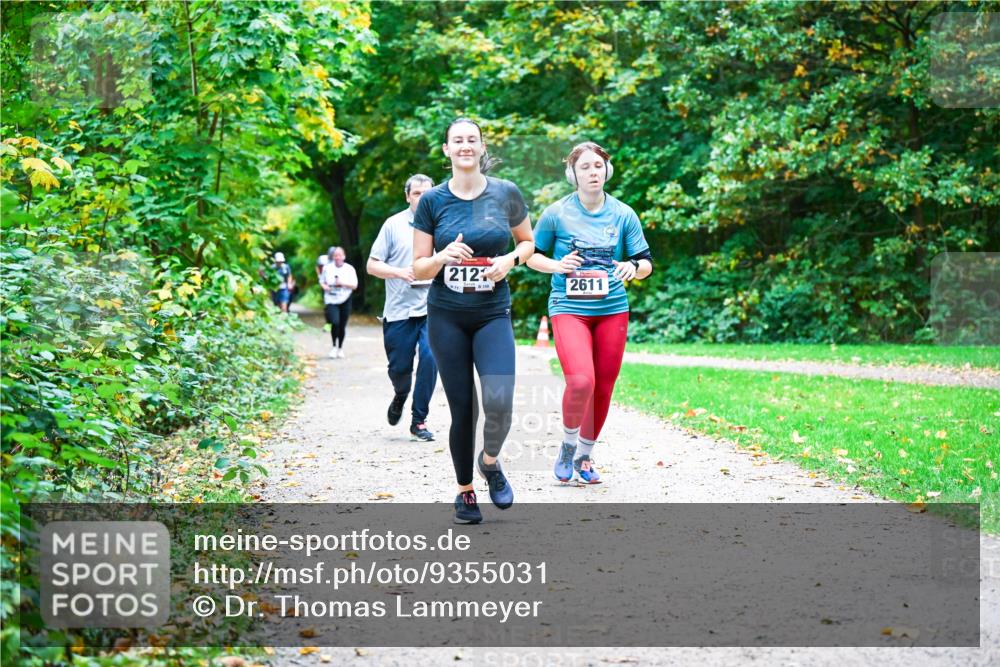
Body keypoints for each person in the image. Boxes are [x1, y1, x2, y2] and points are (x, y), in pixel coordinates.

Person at [413, 118, 534, 524]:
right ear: (446, 149)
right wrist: (441, 257)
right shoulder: (432, 201)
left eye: (472, 140)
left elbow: (528, 243)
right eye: (457, 140)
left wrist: (509, 260)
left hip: (492, 313)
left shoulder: (506, 193)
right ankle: (465, 491)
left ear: (482, 148)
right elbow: (418, 268)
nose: (465, 146)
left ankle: (491, 462)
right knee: (464, 408)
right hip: (446, 317)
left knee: (500, 402)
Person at [527, 142, 653, 484]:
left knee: (603, 387)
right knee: (582, 380)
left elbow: (646, 263)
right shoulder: (556, 213)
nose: (592, 172)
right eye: (585, 167)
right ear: (573, 174)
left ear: (607, 171)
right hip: (569, 308)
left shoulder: (624, 214)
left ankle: (584, 456)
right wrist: (557, 263)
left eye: (598, 166)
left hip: (613, 309)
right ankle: (567, 446)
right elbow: (531, 255)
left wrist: (632, 267)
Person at [367, 174, 439, 442]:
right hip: (398, 311)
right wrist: (400, 273)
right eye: (417, 193)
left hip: (432, 308)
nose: (422, 198)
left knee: (432, 358)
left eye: (427, 193)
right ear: (408, 196)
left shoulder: (441, 223)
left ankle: (419, 421)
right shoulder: (393, 225)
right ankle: (400, 394)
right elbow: (372, 265)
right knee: (399, 369)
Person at [319, 246, 358, 358]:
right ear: (332, 256)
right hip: (331, 299)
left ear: (344, 256)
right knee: (335, 322)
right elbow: (322, 281)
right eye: (335, 255)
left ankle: (340, 348)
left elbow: (355, 286)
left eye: (339, 255)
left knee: (342, 325)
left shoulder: (350, 269)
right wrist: (325, 287)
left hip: (345, 299)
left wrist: (342, 283)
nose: (337, 257)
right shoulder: (327, 268)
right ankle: (333, 347)